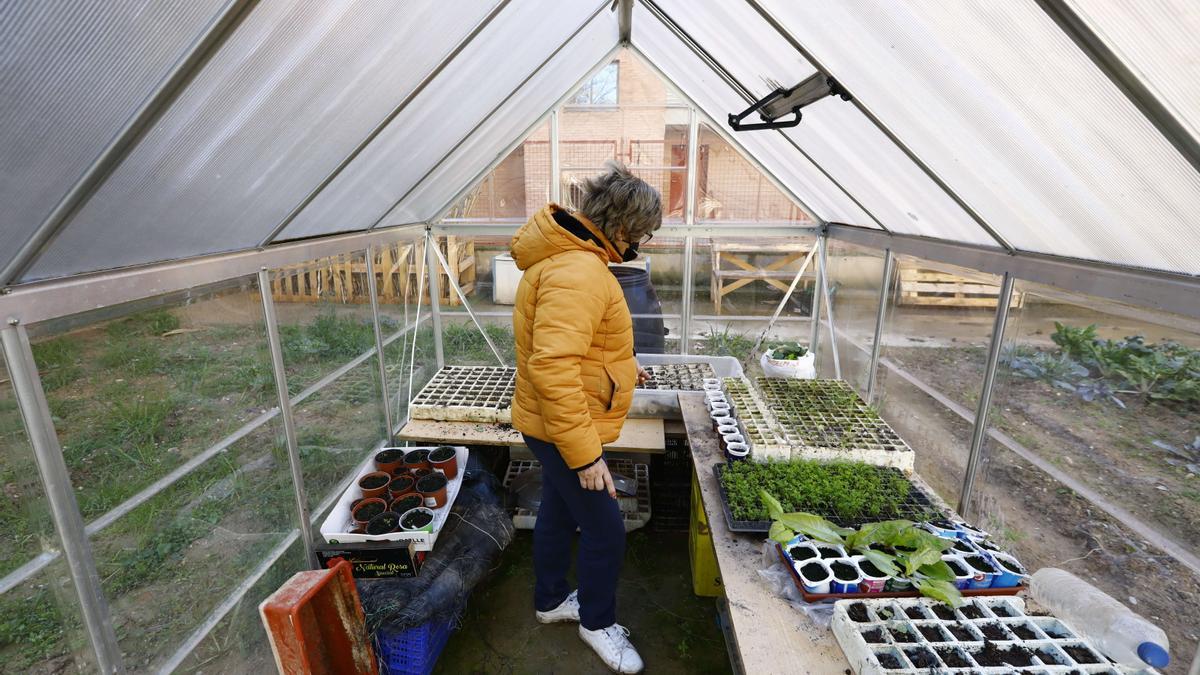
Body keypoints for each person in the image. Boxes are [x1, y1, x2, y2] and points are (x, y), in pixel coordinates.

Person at [509, 162, 662, 673]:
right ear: (620, 227)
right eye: (641, 233)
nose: (642, 243)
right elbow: (553, 366)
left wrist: (624, 366)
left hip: (552, 423)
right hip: (562, 430)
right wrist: (586, 456)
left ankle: (551, 600)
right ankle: (597, 622)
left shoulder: (574, 260)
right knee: (605, 531)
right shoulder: (579, 271)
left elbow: (579, 346)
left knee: (557, 509)